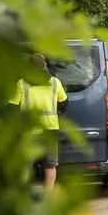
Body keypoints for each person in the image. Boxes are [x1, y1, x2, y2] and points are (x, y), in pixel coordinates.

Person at [11, 52, 68, 191]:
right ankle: (48, 195)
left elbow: (12, 107)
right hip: (50, 129)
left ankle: (23, 194)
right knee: (50, 164)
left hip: (28, 131)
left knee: (25, 164)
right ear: (45, 66)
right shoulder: (55, 82)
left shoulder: (21, 84)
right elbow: (64, 103)